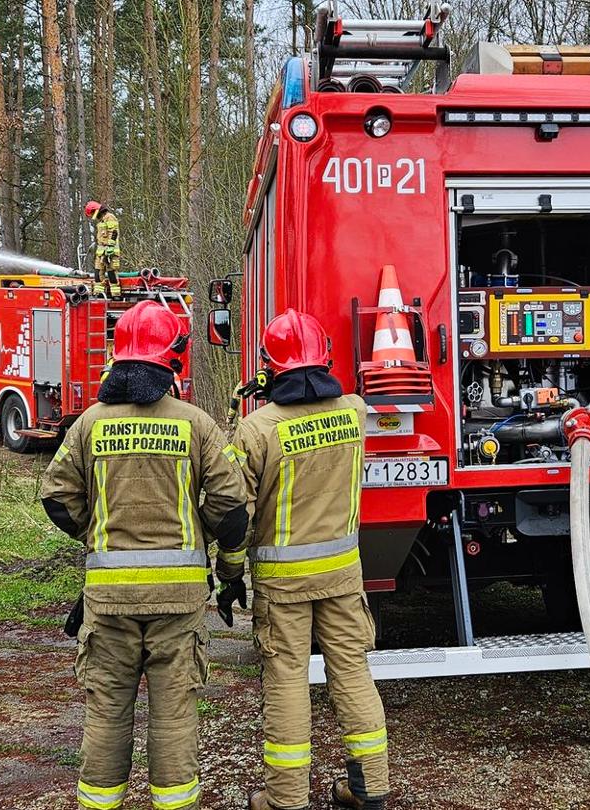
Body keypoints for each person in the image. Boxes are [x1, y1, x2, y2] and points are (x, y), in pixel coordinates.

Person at [41, 300, 249, 810]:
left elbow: (56, 497)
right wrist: (213, 556)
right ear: (174, 358)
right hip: (178, 601)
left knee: (108, 711)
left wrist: (98, 535)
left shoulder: (90, 424)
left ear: (118, 357)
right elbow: (232, 509)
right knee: (174, 711)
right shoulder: (196, 424)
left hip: (108, 600)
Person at [223, 309, 389, 810]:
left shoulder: (256, 430)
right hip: (342, 575)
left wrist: (229, 572)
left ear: (270, 367)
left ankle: (286, 798)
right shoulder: (354, 412)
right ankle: (370, 789)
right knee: (352, 672)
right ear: (325, 360)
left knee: (287, 681)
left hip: (282, 584)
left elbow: (234, 510)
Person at [84, 200, 121, 294]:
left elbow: (114, 232)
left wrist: (110, 247)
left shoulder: (109, 217)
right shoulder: (101, 220)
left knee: (111, 273)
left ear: (96, 210)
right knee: (98, 274)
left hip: (111, 251)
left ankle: (115, 294)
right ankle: (99, 293)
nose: (93, 217)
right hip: (101, 252)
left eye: (92, 214)